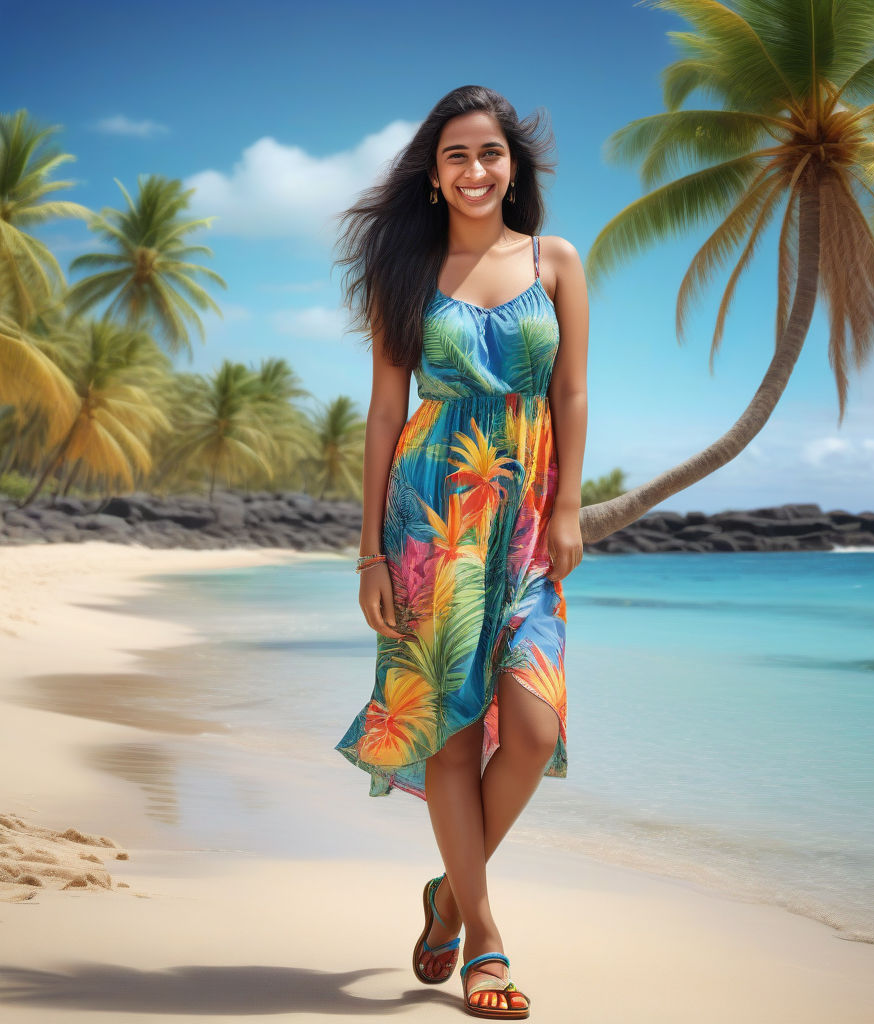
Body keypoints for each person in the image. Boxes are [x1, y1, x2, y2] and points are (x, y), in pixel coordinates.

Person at [333, 84, 588, 1020]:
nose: (476, 170)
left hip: (523, 515)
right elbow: (385, 413)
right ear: (433, 177)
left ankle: (447, 889)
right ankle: (484, 936)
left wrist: (567, 510)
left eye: (490, 153)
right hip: (430, 514)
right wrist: (368, 551)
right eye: (456, 157)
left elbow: (571, 396)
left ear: (512, 164)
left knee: (533, 727)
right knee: (445, 726)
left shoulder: (554, 260)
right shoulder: (406, 271)